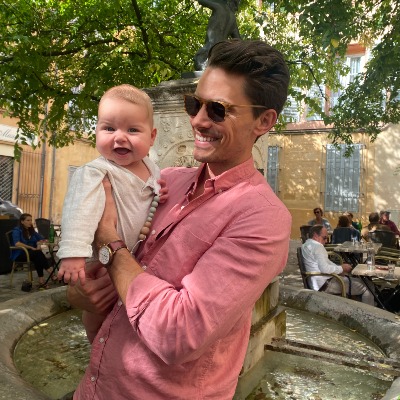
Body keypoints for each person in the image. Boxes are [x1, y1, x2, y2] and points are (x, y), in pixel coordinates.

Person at [68, 39, 292, 399]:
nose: (198, 120)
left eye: (218, 110)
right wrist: (82, 293)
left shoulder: (262, 218)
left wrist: (109, 241)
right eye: (194, 104)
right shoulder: (164, 182)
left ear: (263, 121)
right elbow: (98, 281)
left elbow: (178, 334)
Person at [57, 84, 161, 285]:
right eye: (109, 128)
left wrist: (161, 192)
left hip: (139, 260)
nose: (119, 137)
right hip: (103, 262)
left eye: (132, 130)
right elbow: (79, 212)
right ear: (96, 131)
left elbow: (155, 198)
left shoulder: (153, 169)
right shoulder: (95, 172)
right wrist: (73, 253)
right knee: (101, 298)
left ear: (152, 137)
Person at [302, 225, 374, 305]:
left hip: (319, 282)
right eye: (324, 238)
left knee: (360, 282)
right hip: (326, 284)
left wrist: (340, 269)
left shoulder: (306, 245)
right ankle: (368, 311)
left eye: (327, 238)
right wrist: (342, 268)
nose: (326, 241)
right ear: (315, 235)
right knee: (368, 287)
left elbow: (326, 263)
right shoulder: (318, 247)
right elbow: (325, 269)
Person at [11, 213, 56, 287]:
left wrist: (39, 244)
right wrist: (31, 247)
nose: (30, 222)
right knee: (38, 254)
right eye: (28, 220)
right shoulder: (17, 230)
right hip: (21, 253)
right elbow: (17, 243)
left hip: (32, 253)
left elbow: (42, 239)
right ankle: (50, 273)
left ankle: (41, 279)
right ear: (22, 221)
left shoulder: (31, 231)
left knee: (38, 256)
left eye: (31, 220)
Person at [194, 0, 241, 71]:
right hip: (220, 52)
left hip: (209, 49)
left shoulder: (219, 7)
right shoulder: (233, 19)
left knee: (200, 64)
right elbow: (239, 40)